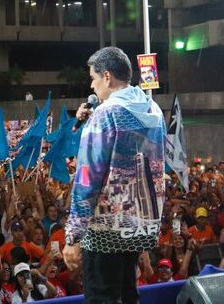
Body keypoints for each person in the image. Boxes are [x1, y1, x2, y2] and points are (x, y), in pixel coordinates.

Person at [62, 47, 166, 303]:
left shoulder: (105, 114)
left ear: (107, 77)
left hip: (105, 226)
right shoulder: (154, 109)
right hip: (139, 224)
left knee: (102, 296)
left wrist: (73, 235)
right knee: (128, 293)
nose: (92, 85)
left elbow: (88, 178)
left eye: (93, 78)